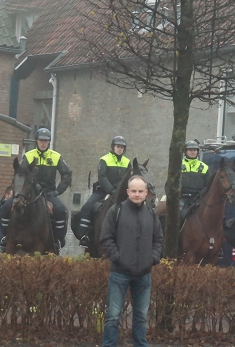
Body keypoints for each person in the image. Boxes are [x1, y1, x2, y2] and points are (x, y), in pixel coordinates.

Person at [100, 175, 163, 347]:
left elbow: (158, 240)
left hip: (144, 274)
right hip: (119, 273)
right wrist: (118, 258)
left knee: (141, 317)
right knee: (113, 316)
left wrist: (153, 258)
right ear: (127, 192)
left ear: (146, 193)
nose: (137, 194)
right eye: (133, 191)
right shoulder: (116, 211)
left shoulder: (151, 213)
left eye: (140, 191)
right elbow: (106, 238)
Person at [20, 127, 72, 249]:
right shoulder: (28, 156)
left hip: (49, 193)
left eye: (46, 140)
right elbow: (20, 174)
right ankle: (7, 237)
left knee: (61, 210)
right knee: (9, 207)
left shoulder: (56, 156)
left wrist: (58, 191)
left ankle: (59, 239)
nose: (43, 143)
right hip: (30, 193)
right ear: (36, 141)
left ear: (49, 142)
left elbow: (67, 175)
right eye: (41, 140)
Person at [77, 136, 129, 247]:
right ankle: (84, 235)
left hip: (121, 194)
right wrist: (111, 190)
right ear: (113, 147)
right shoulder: (104, 159)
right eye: (118, 146)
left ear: (124, 149)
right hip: (104, 191)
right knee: (87, 207)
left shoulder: (127, 162)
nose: (119, 149)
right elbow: (103, 177)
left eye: (122, 147)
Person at [180, 140, 209, 214]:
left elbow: (208, 186)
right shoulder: (178, 166)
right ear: (185, 152)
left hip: (198, 200)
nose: (193, 152)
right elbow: (170, 185)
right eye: (190, 150)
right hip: (182, 199)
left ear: (198, 152)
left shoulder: (204, 167)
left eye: (194, 150)